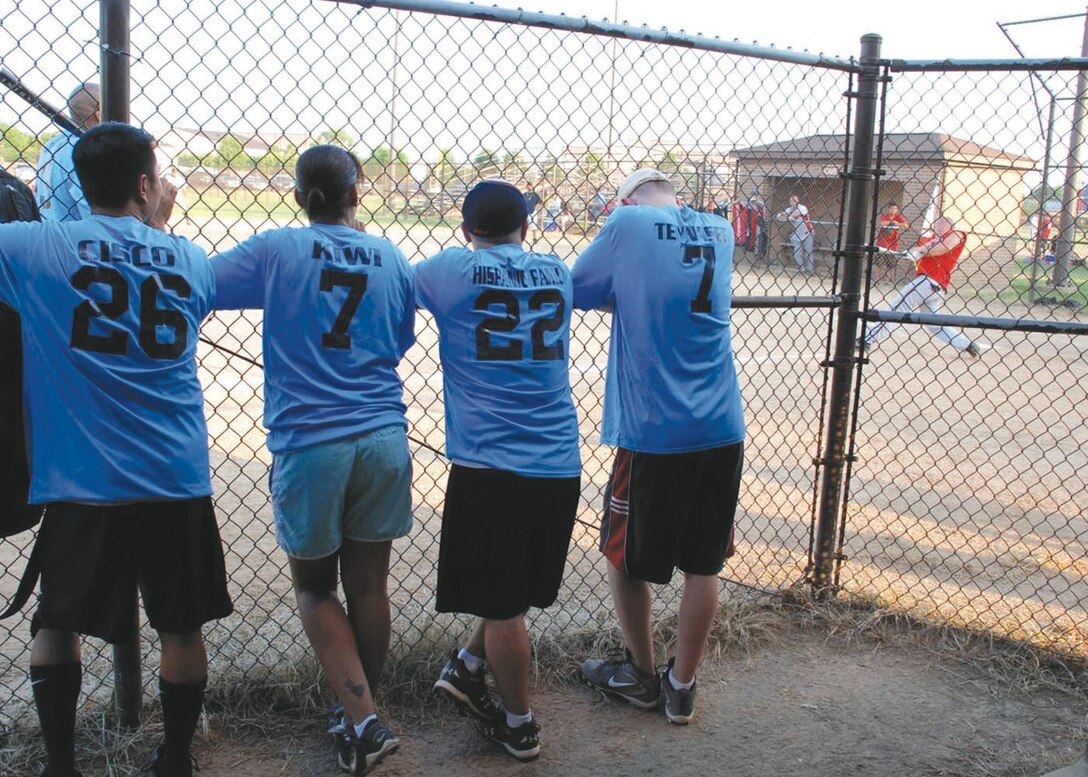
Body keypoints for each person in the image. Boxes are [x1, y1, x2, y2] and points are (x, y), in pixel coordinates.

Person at [0, 122, 233, 777]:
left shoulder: (36, 247)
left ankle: (60, 763)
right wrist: (155, 224)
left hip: (82, 480)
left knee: (56, 621)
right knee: (181, 625)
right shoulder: (187, 258)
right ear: (143, 184)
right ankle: (175, 758)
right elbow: (153, 270)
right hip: (174, 477)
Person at [211, 145, 414, 776]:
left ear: (300, 197)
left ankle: (362, 719)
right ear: (358, 194)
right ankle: (362, 711)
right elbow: (400, 335)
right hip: (383, 434)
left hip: (310, 441)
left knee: (314, 586)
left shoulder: (277, 249)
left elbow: (205, 286)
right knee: (370, 585)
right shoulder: (390, 255)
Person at [571, 169, 745, 725]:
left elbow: (579, 288)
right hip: (721, 422)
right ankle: (682, 686)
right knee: (704, 562)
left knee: (623, 555)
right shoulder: (720, 226)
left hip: (655, 427)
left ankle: (641, 675)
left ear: (626, 201)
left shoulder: (626, 222)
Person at [415, 180, 581, 761]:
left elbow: (399, 292)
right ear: (527, 230)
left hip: (490, 464)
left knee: (505, 602)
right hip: (559, 458)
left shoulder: (449, 269)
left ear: (466, 233)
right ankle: (466, 665)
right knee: (513, 589)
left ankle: (518, 722)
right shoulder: (556, 270)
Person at [862, 216, 988, 358]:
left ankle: (866, 339)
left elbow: (943, 248)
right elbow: (923, 249)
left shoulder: (957, 234)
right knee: (933, 323)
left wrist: (921, 251)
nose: (936, 227)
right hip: (931, 286)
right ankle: (968, 345)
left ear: (947, 225)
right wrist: (914, 252)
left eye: (939, 224)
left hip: (929, 282)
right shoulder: (933, 240)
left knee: (897, 308)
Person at [35, 82, 100, 221]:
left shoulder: (52, 144)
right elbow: (91, 212)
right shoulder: (86, 148)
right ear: (99, 113)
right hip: (78, 239)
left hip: (49, 233)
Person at [777, 194, 815, 274]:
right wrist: (783, 214)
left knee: (808, 252)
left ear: (798, 201)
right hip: (797, 234)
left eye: (794, 201)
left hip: (807, 232)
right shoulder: (789, 209)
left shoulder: (803, 208)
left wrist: (786, 215)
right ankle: (802, 269)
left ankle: (810, 270)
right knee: (796, 253)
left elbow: (796, 214)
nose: (793, 202)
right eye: (791, 201)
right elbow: (779, 216)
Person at [874, 202, 908, 284]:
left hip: (893, 244)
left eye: (895, 209)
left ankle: (889, 280)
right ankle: (877, 279)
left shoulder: (898, 217)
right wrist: (891, 222)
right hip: (882, 243)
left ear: (897, 210)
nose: (893, 210)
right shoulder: (885, 216)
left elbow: (905, 225)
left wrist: (898, 223)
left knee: (890, 263)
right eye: (891, 208)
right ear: (888, 209)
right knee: (879, 262)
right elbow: (882, 223)